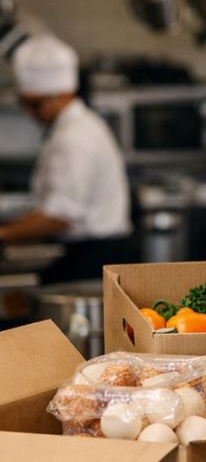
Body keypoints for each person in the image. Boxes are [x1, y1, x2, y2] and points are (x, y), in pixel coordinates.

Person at [0, 34, 132, 283]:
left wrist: (4, 233)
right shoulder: (79, 125)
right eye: (24, 104)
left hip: (93, 258)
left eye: (34, 105)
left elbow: (60, 216)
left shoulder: (74, 137)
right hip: (91, 252)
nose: (29, 113)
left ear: (58, 96)